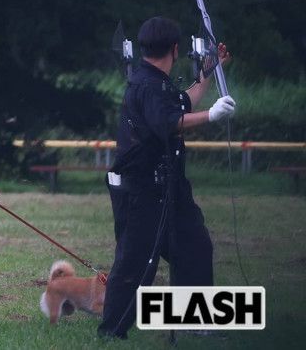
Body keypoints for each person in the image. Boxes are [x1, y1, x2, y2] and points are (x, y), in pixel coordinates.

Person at [97, 17, 236, 339]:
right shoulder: (146, 85)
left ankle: (196, 320)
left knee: (195, 247)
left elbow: (183, 102)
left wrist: (210, 70)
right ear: (175, 49)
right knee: (135, 264)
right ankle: (111, 332)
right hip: (142, 192)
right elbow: (169, 121)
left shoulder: (158, 82)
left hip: (170, 187)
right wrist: (213, 115)